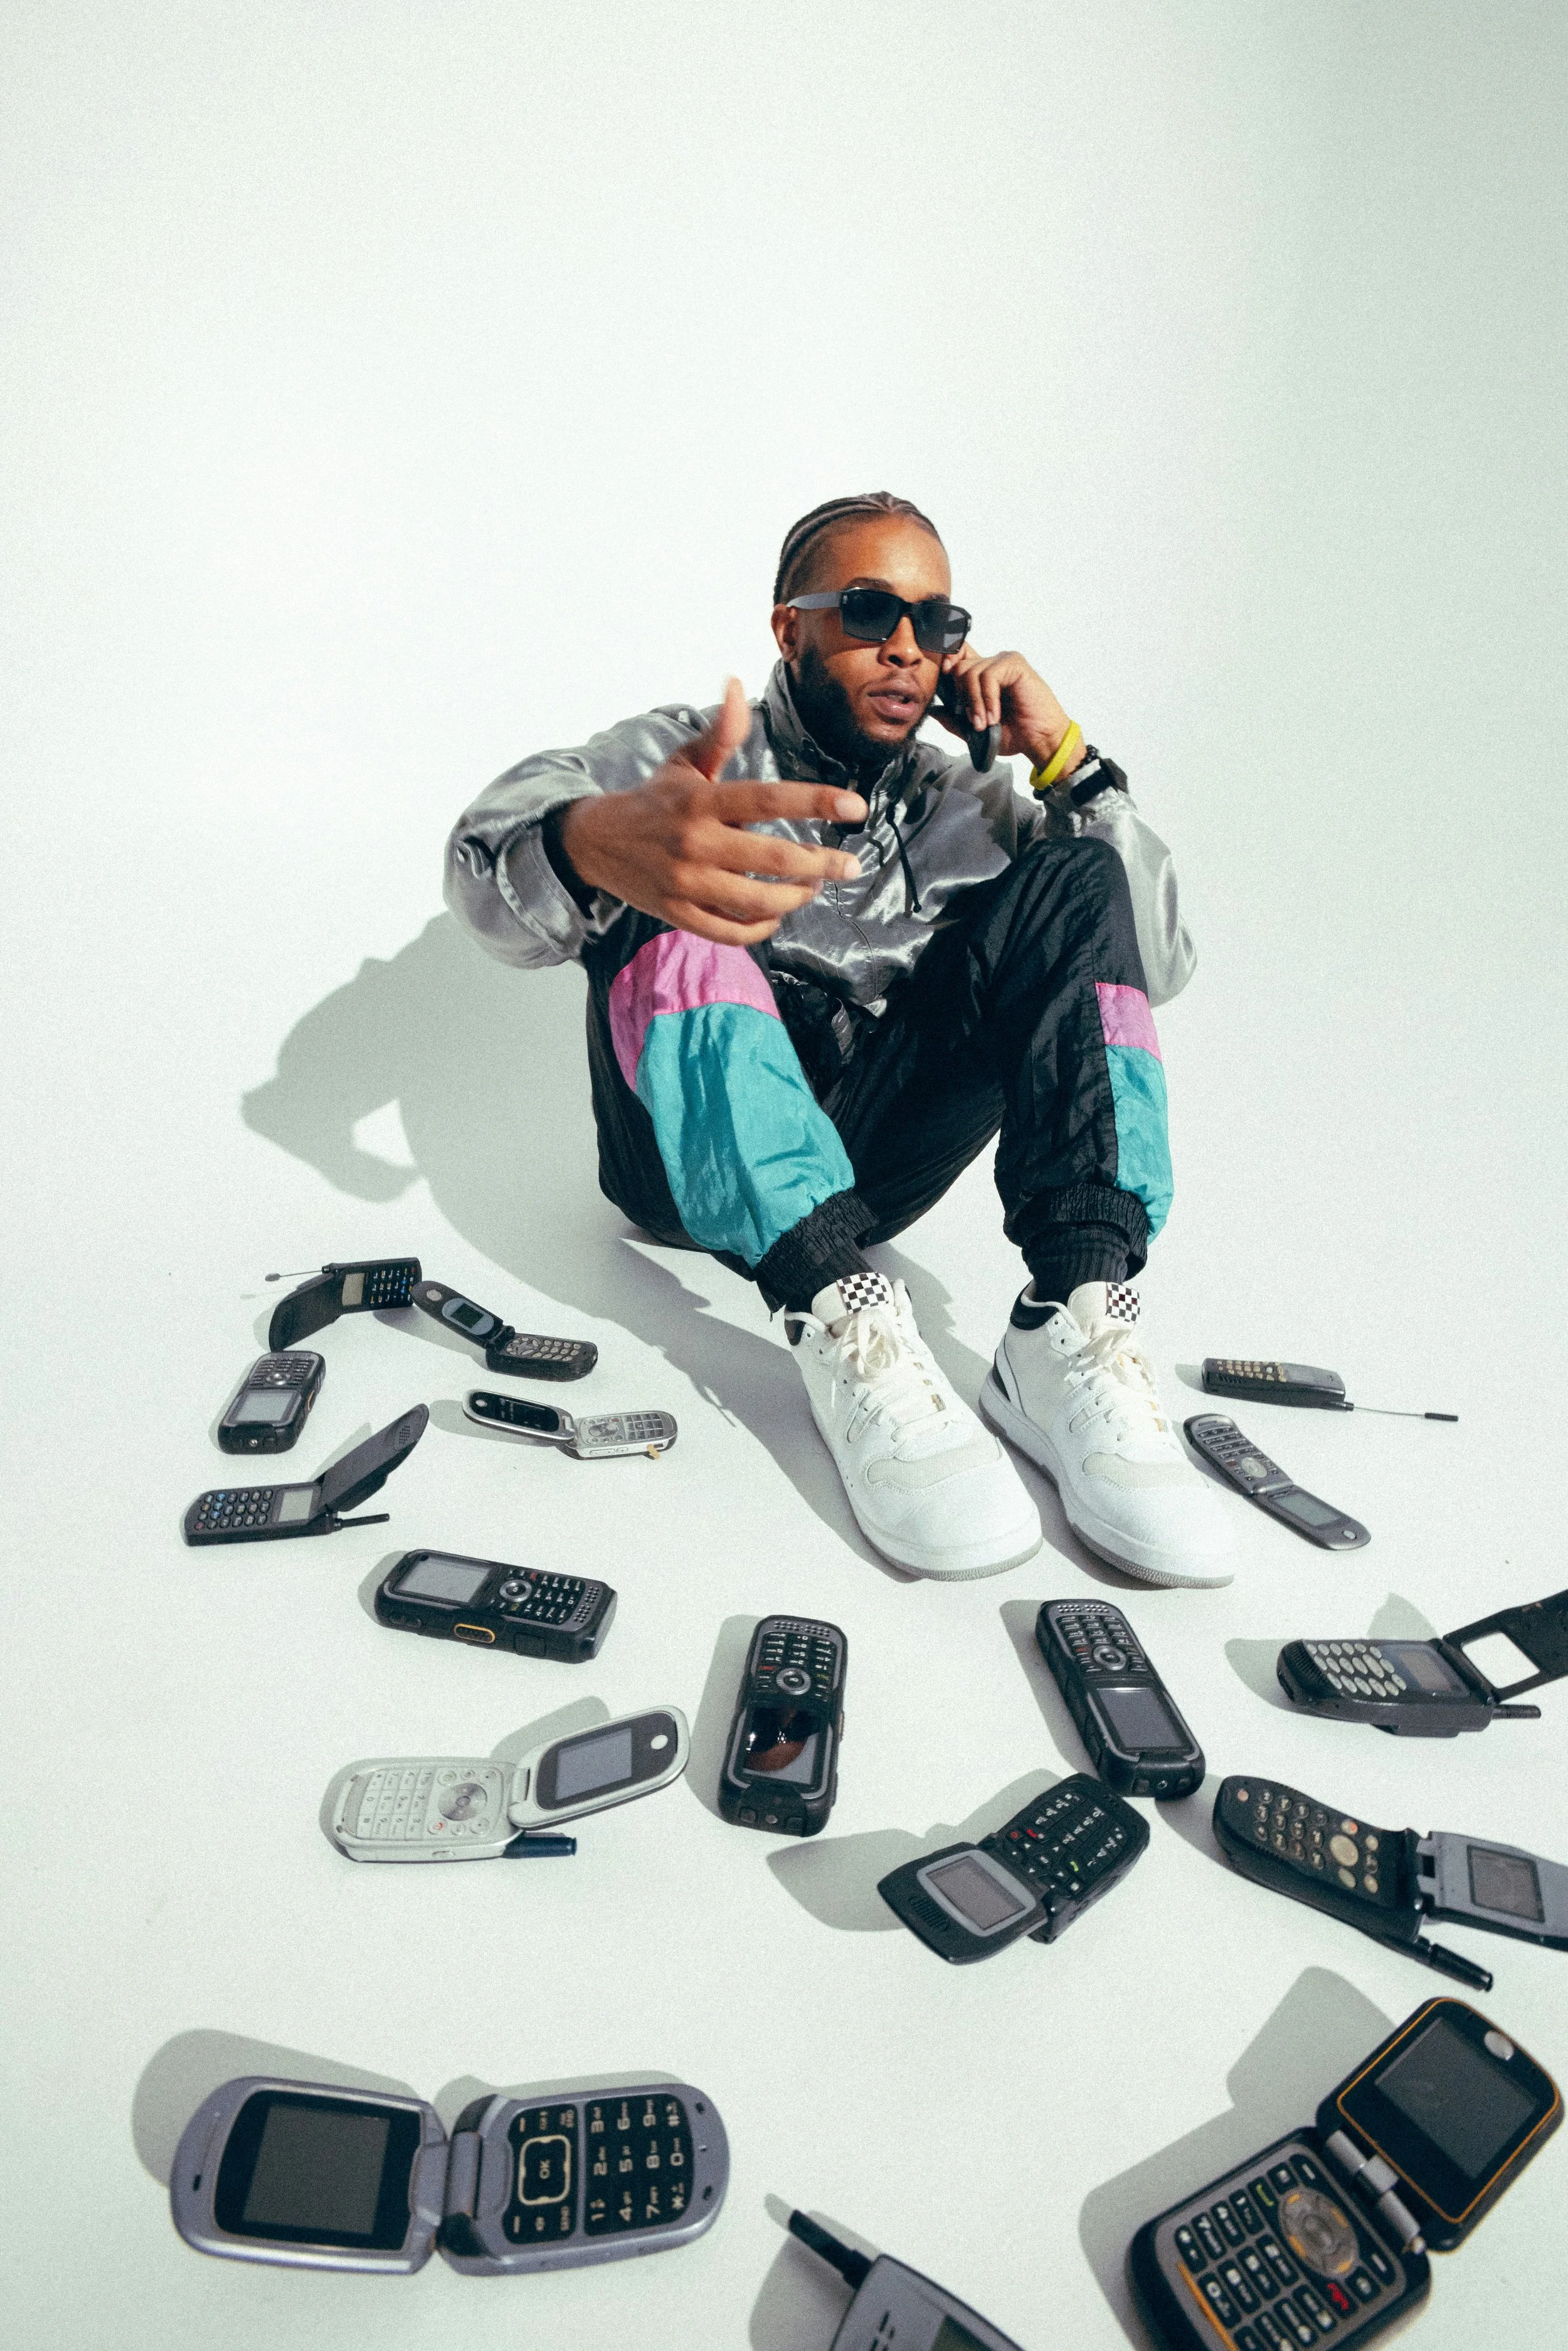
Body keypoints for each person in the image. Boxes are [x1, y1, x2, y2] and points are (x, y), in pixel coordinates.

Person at [445, 492, 1233, 1587]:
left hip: (872, 1174)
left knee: (1078, 874)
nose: (908, 647)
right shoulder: (682, 755)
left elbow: (1156, 961)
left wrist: (1069, 765)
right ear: (791, 629)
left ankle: (1072, 1320)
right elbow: (481, 863)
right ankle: (841, 1312)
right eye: (870, 612)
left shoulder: (977, 804)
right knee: (682, 863)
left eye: (937, 623)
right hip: (679, 1163)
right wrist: (586, 843)